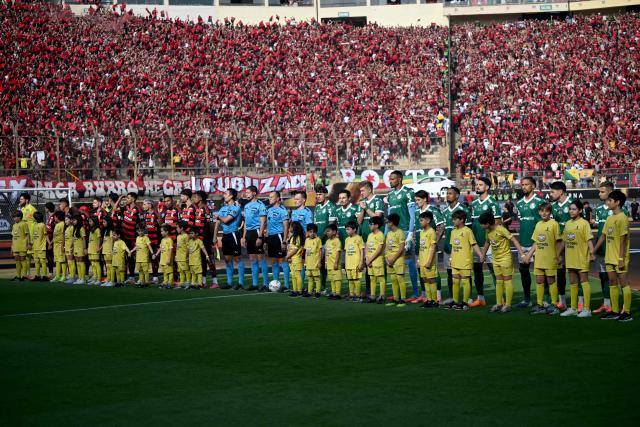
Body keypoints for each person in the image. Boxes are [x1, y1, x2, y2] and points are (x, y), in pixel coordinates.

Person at [593, 190, 632, 322]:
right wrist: (593, 251)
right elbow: (603, 236)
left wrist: (621, 259)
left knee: (623, 284)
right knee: (612, 282)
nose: (608, 202)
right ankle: (615, 311)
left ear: (617, 202)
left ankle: (627, 312)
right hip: (609, 257)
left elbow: (623, 240)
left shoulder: (623, 217)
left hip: (619, 258)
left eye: (610, 200)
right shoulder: (610, 218)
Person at [479, 211, 525, 313]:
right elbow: (487, 242)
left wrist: (522, 254)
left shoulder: (501, 229)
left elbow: (514, 240)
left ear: (488, 223)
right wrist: (483, 255)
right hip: (496, 260)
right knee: (499, 282)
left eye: (482, 223)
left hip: (505, 259)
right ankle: (499, 304)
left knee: (507, 281)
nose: (481, 226)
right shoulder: (488, 231)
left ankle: (508, 305)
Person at [524, 203, 563, 315]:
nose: (544, 213)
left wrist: (559, 255)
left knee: (551, 281)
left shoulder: (554, 224)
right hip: (539, 258)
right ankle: (540, 305)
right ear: (539, 212)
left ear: (550, 212)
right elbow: (536, 242)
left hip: (551, 258)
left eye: (546, 211)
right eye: (541, 211)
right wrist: (529, 255)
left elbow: (559, 242)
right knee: (539, 280)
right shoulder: (538, 225)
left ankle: (554, 304)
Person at [559, 200, 595, 318]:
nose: (571, 211)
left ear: (580, 210)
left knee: (584, 282)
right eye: (570, 209)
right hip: (570, 257)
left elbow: (589, 240)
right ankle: (573, 308)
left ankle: (587, 309)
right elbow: (564, 241)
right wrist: (558, 254)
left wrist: (592, 253)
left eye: (574, 209)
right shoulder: (568, 223)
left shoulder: (584, 223)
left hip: (581, 257)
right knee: (573, 282)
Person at [469, 176, 501, 307]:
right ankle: (481, 298)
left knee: (494, 271)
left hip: (489, 244)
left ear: (487, 187)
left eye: (480, 185)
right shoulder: (474, 204)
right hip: (476, 244)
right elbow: (473, 225)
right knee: (477, 271)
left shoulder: (492, 202)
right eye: (476, 185)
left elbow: (498, 223)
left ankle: (501, 299)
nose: (477, 187)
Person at [514, 177, 545, 309]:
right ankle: (527, 299)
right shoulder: (519, 203)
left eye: (527, 184)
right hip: (523, 242)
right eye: (522, 185)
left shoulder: (540, 202)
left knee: (541, 272)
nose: (524, 187)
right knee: (523, 271)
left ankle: (544, 300)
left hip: (537, 243)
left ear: (533, 186)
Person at [386, 170, 418, 301]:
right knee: (393, 263)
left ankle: (416, 292)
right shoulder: (390, 195)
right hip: (392, 234)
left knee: (409, 262)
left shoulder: (408, 192)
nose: (390, 181)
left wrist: (410, 233)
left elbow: (412, 215)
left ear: (399, 179)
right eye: (390, 179)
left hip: (405, 231)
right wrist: (386, 234)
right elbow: (388, 217)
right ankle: (397, 294)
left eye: (392, 179)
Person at [447, 210, 484, 310]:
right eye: (453, 219)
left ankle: (465, 302)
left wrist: (481, 254)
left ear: (462, 220)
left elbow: (474, 244)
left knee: (465, 281)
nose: (453, 221)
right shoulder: (453, 231)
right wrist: (450, 258)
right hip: (455, 260)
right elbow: (453, 247)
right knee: (455, 281)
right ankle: (455, 302)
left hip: (465, 261)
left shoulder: (468, 231)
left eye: (455, 219)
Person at [441, 186, 472, 303]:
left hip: (462, 250)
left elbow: (468, 230)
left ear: (457, 196)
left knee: (465, 276)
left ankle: (467, 298)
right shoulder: (444, 211)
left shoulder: (464, 210)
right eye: (447, 193)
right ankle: (452, 297)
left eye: (450, 193)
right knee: (450, 274)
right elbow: (444, 229)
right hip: (449, 248)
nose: (447, 195)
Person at [415, 190, 445, 303]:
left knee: (433, 272)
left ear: (425, 199)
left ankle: (438, 296)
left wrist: (434, 242)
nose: (416, 202)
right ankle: (427, 296)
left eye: (418, 200)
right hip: (420, 246)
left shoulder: (433, 211)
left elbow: (441, 226)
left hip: (430, 248)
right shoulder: (417, 211)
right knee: (422, 272)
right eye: (416, 200)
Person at [549, 181, 574, 309]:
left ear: (561, 192)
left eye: (553, 191)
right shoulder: (553, 207)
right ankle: (562, 301)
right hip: (559, 244)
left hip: (573, 244)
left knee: (576, 273)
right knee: (560, 273)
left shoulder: (573, 204)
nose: (551, 194)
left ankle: (580, 303)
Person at [215, 188, 245, 290]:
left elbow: (226, 220)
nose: (224, 195)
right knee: (227, 260)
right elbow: (218, 223)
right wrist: (215, 236)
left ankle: (241, 283)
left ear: (231, 196)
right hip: (225, 235)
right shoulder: (223, 208)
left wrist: (219, 216)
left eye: (226, 193)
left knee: (237, 258)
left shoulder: (236, 208)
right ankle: (229, 282)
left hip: (233, 235)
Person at [241, 185, 269, 292]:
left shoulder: (261, 205)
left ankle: (266, 284)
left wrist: (260, 237)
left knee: (261, 258)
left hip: (257, 232)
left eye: (248, 192)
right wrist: (243, 237)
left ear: (254, 193)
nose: (246, 194)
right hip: (249, 234)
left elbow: (263, 222)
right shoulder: (247, 206)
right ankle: (255, 284)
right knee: (252, 259)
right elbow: (246, 223)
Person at [313, 185, 337, 293]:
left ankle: (332, 288)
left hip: (327, 241)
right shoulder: (317, 207)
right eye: (317, 194)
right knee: (319, 264)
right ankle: (321, 287)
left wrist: (321, 237)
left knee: (328, 265)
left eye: (320, 194)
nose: (318, 196)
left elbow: (331, 226)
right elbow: (315, 224)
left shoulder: (331, 206)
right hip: (318, 241)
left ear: (326, 194)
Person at [266, 191, 290, 290]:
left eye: (271, 197)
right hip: (271, 238)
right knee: (274, 261)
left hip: (279, 237)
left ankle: (286, 285)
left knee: (283, 260)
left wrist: (284, 241)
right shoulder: (269, 210)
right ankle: (275, 283)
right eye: (269, 197)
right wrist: (266, 240)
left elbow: (286, 226)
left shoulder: (283, 210)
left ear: (277, 199)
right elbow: (267, 225)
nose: (269, 198)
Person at [193, 190, 216, 288]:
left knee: (209, 259)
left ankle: (215, 282)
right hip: (199, 239)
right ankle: (203, 281)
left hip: (206, 239)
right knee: (201, 260)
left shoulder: (206, 209)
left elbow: (211, 225)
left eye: (195, 197)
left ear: (201, 198)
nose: (194, 199)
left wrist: (212, 238)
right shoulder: (197, 209)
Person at [385, 213, 407, 307]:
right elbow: (386, 247)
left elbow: (401, 248)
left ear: (392, 223)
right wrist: (387, 258)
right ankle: (396, 298)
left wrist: (393, 259)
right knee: (393, 279)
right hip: (390, 260)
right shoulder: (389, 233)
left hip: (398, 260)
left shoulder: (400, 232)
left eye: (388, 222)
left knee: (400, 279)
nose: (386, 224)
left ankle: (403, 299)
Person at [418, 211, 438, 308]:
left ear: (428, 220)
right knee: (425, 280)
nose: (420, 222)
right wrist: (419, 260)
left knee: (431, 280)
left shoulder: (431, 232)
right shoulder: (422, 232)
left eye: (421, 220)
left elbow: (433, 247)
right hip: (422, 261)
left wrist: (429, 261)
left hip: (429, 261)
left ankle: (434, 301)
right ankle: (429, 300)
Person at [121, 192, 141, 284]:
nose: (126, 200)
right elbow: (114, 209)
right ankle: (126, 276)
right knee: (126, 258)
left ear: (133, 199)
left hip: (133, 238)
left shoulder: (137, 210)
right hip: (125, 237)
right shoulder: (125, 208)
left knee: (133, 257)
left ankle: (135, 277)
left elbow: (141, 224)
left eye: (128, 198)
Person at [365, 216, 386, 303]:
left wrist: (370, 259)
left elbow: (379, 250)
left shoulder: (380, 235)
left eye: (371, 224)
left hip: (377, 260)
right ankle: (372, 296)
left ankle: (382, 296)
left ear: (377, 225)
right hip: (370, 261)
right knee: (372, 278)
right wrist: (367, 258)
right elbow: (366, 246)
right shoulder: (370, 235)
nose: (369, 225)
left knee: (380, 278)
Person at [344, 221, 365, 301]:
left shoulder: (359, 238)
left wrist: (361, 263)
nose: (347, 231)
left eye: (348, 229)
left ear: (354, 229)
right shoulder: (346, 240)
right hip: (349, 264)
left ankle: (358, 295)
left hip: (356, 264)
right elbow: (346, 252)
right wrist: (345, 264)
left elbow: (362, 251)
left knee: (356, 280)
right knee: (350, 280)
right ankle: (352, 295)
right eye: (346, 229)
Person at [142, 199, 160, 284]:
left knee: (154, 258)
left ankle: (155, 277)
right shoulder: (145, 214)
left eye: (144, 204)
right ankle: (147, 277)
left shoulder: (156, 214)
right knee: (146, 258)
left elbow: (161, 225)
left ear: (150, 205)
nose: (143, 206)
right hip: (147, 240)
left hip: (155, 240)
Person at [285, 221, 305, 297]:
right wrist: (289, 256)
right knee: (293, 275)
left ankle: (299, 291)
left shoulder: (297, 237)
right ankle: (295, 290)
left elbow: (295, 249)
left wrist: (287, 256)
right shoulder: (292, 237)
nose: (289, 228)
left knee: (297, 275)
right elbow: (290, 248)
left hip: (296, 258)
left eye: (290, 227)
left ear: (294, 228)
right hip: (292, 258)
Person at [19, 192, 37, 279]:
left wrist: (32, 237)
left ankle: (39, 274)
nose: (20, 200)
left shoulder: (31, 209)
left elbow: (36, 222)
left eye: (21, 199)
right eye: (20, 199)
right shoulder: (22, 209)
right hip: (24, 236)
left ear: (27, 200)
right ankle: (26, 274)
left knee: (34, 255)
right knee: (26, 256)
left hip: (31, 236)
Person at [324, 223, 343, 300]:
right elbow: (326, 253)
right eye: (326, 231)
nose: (327, 233)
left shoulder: (337, 241)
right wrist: (325, 262)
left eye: (328, 231)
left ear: (334, 232)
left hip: (335, 264)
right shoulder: (327, 241)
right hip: (329, 264)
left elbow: (338, 252)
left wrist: (336, 263)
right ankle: (333, 292)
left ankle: (338, 293)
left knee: (337, 278)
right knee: (332, 279)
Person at [303, 223, 322, 298]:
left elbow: (320, 251)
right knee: (310, 278)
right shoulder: (307, 240)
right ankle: (309, 292)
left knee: (317, 278)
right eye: (310, 232)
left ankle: (317, 292)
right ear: (307, 232)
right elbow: (305, 252)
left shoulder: (318, 240)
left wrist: (319, 261)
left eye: (314, 232)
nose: (312, 233)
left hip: (315, 263)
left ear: (316, 232)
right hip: (308, 263)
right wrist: (305, 262)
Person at [11, 211, 30, 281]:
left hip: (22, 246)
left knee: (23, 260)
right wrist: (12, 247)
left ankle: (24, 276)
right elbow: (13, 237)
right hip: (15, 246)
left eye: (15, 217)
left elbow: (27, 235)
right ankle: (18, 276)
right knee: (17, 260)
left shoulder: (24, 224)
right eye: (13, 217)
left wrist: (28, 244)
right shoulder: (14, 225)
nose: (14, 219)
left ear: (19, 217)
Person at [154, 225, 175, 289]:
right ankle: (165, 282)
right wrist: (156, 254)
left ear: (167, 232)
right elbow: (160, 248)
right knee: (165, 272)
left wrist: (169, 259)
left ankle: (170, 283)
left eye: (162, 231)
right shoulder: (162, 240)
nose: (161, 233)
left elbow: (171, 249)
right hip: (162, 259)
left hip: (167, 259)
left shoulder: (169, 240)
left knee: (170, 271)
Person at [31, 212, 48, 282]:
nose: (32, 218)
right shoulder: (35, 225)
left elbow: (46, 235)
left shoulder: (42, 225)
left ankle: (44, 276)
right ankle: (37, 275)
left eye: (33, 217)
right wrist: (31, 244)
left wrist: (49, 243)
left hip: (41, 247)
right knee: (36, 262)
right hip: (35, 247)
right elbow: (34, 237)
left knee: (43, 262)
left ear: (36, 218)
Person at [50, 211, 67, 283]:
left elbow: (63, 235)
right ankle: (57, 275)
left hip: (60, 245)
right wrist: (51, 243)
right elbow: (55, 236)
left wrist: (63, 246)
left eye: (55, 216)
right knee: (57, 260)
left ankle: (64, 275)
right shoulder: (57, 225)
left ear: (58, 217)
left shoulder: (62, 224)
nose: (54, 218)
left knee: (62, 260)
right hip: (55, 245)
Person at [72, 214, 88, 285]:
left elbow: (84, 239)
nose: (73, 221)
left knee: (81, 262)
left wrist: (84, 248)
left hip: (80, 248)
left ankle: (83, 278)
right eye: (73, 220)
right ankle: (80, 277)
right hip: (76, 248)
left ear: (78, 221)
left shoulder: (81, 228)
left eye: (74, 220)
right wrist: (72, 247)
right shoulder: (75, 229)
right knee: (77, 262)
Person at [87, 216, 102, 285]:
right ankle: (95, 278)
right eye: (89, 221)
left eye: (90, 221)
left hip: (95, 249)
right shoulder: (91, 229)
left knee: (96, 264)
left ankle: (99, 279)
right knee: (92, 264)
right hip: (90, 249)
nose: (89, 222)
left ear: (94, 221)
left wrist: (98, 247)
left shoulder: (97, 229)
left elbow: (99, 239)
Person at [100, 216, 115, 287]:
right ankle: (108, 279)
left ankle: (112, 281)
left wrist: (111, 250)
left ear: (108, 222)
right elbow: (104, 241)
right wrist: (100, 248)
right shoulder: (106, 231)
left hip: (109, 250)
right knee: (107, 266)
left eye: (104, 222)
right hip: (105, 250)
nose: (103, 223)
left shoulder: (111, 231)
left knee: (110, 266)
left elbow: (112, 241)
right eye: (103, 222)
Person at [175, 222, 190, 288]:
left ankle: (188, 282)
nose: (176, 229)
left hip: (184, 257)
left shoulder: (186, 236)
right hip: (179, 257)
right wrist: (176, 255)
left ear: (182, 228)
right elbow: (177, 247)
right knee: (180, 271)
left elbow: (188, 247)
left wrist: (187, 256)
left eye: (177, 227)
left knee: (186, 270)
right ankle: (182, 282)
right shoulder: (178, 236)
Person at [63, 215, 77, 284]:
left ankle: (73, 277)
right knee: (69, 262)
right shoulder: (67, 228)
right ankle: (71, 276)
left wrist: (72, 246)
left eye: (67, 220)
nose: (65, 221)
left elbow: (74, 238)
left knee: (71, 262)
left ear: (71, 220)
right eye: (65, 220)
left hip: (71, 247)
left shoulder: (72, 228)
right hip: (67, 247)